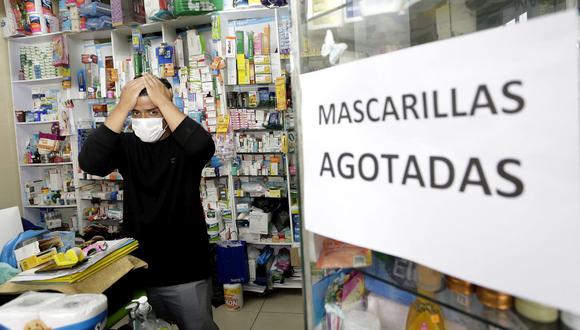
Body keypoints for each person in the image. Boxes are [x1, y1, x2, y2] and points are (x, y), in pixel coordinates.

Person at [79, 73, 218, 330]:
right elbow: (90, 162)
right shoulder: (127, 145)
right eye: (137, 113)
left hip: (185, 266)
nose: (144, 120)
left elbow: (203, 147)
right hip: (139, 265)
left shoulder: (184, 143)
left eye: (153, 111)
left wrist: (164, 102)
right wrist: (122, 105)